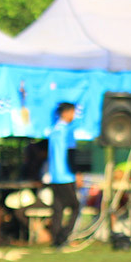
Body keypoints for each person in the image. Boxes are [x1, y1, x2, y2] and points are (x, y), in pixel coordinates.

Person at [47, 102, 80, 247]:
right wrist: (77, 173)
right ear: (65, 113)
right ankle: (63, 236)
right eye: (72, 112)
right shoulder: (67, 131)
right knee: (76, 207)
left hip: (54, 175)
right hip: (66, 175)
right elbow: (71, 154)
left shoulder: (53, 130)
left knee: (58, 209)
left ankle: (56, 239)